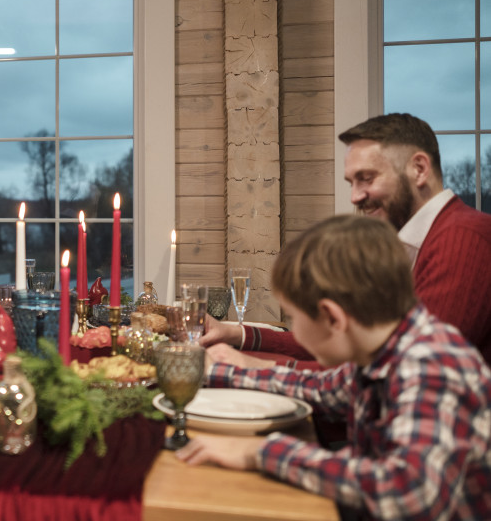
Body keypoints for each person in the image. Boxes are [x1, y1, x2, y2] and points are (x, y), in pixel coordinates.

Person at [178, 215, 491, 520]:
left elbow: (406, 490)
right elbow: (316, 388)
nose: (294, 332)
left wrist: (261, 452)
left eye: (294, 318)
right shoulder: (387, 350)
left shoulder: (428, 365)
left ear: (332, 318)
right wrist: (209, 371)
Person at [201, 112, 491, 368]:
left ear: (419, 169)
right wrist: (237, 335)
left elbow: (395, 373)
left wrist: (252, 366)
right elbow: (343, 343)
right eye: (352, 183)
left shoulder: (464, 239)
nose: (355, 197)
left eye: (366, 178)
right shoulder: (412, 242)